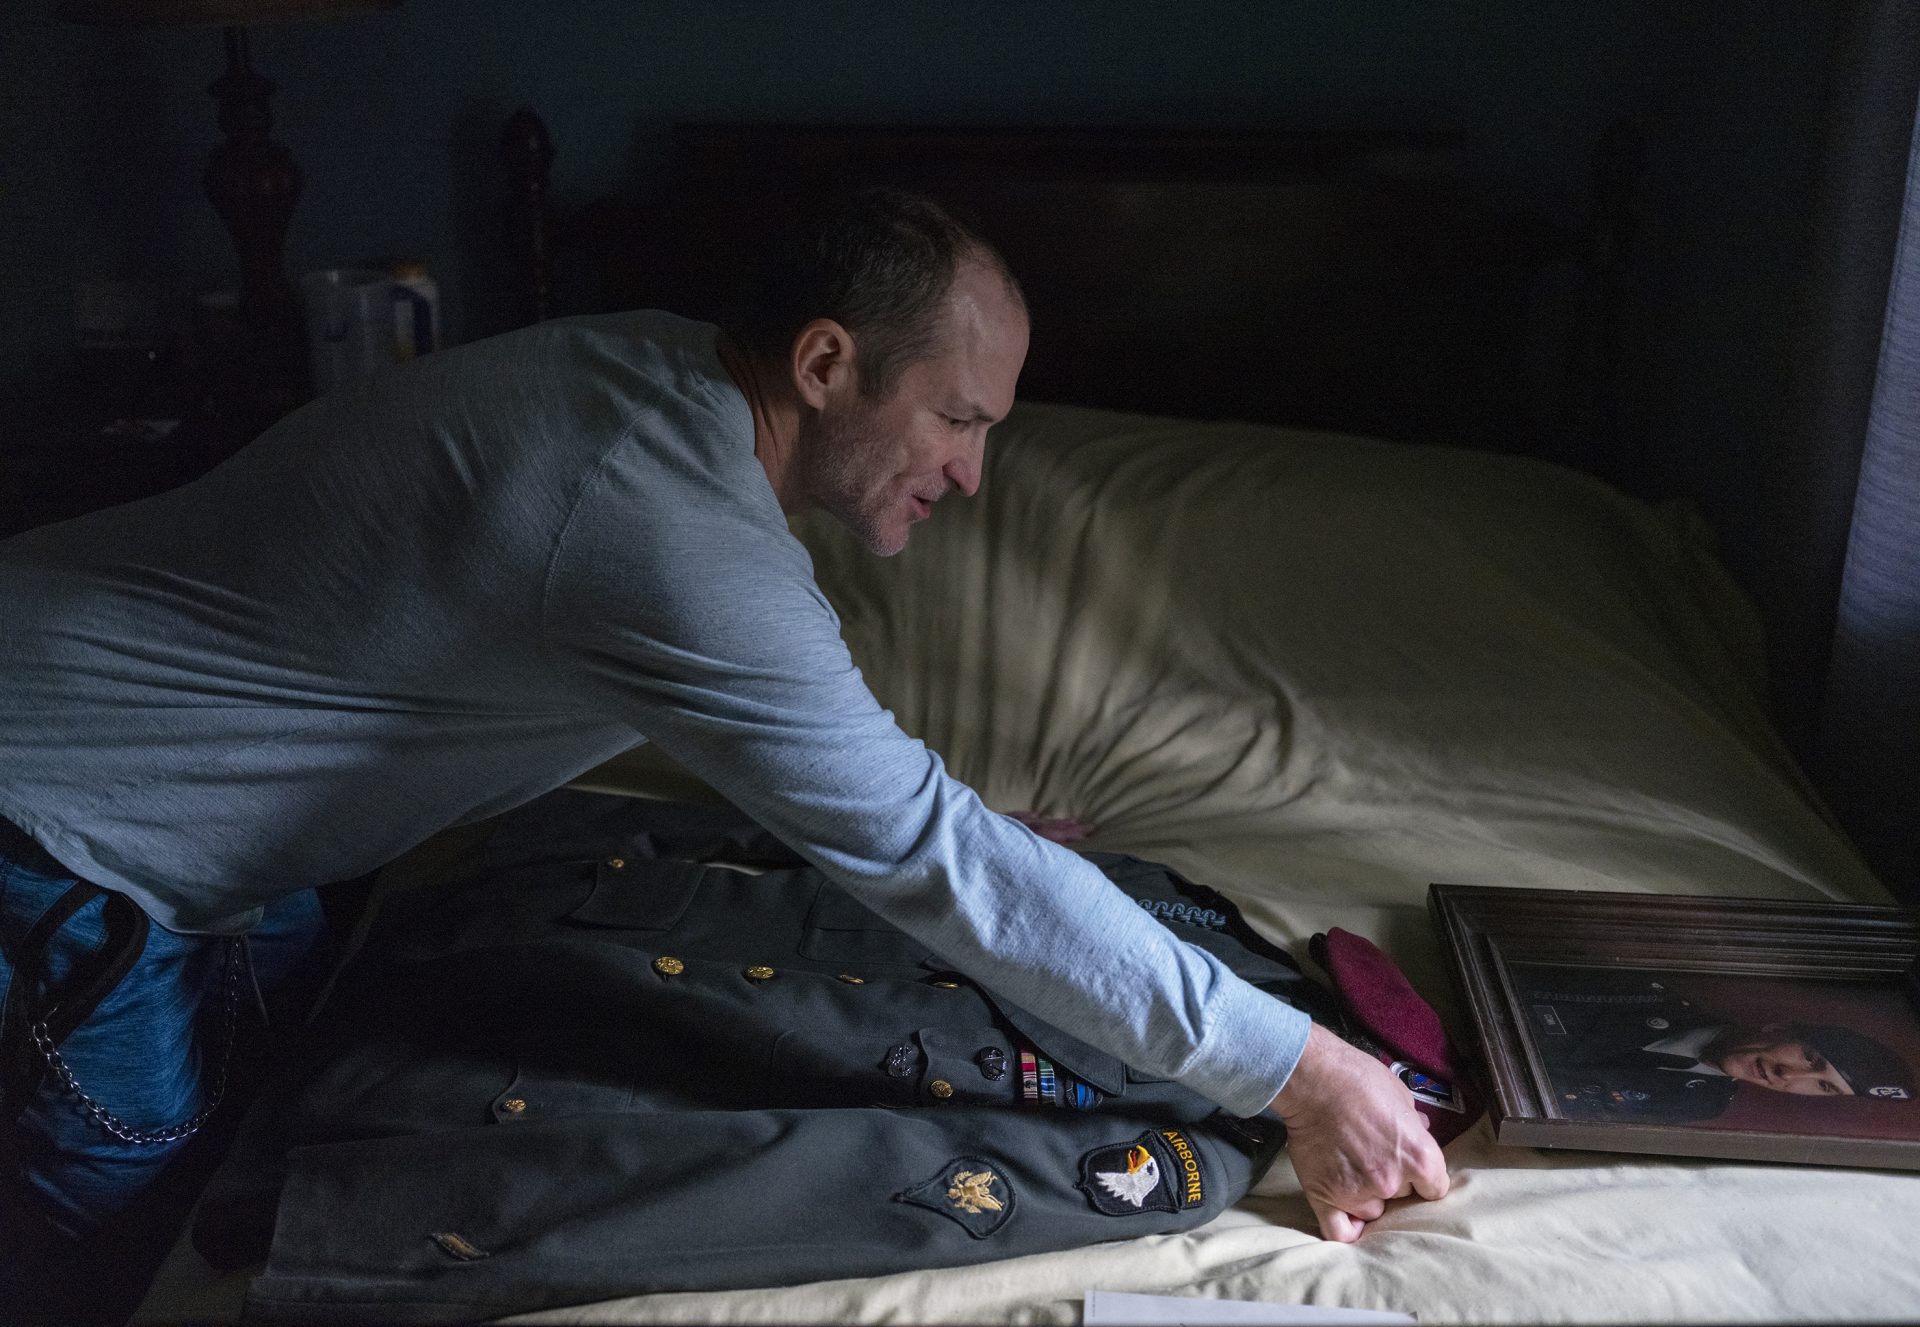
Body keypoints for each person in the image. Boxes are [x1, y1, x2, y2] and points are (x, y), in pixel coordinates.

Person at [0, 189, 1445, 1289]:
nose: (974, 473)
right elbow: (927, 850)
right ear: (825, 361)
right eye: (955, 416)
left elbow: (833, 757)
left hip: (175, 812)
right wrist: (1306, 1069)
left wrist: (963, 823)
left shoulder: (649, 388)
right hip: (60, 825)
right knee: (108, 1271)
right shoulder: (661, 523)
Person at [1520, 968, 1916, 1122]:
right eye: (1810, 1056)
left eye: (1822, 1084)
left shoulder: (1700, 1103)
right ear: (1777, 1027)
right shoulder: (1646, 994)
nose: (1789, 1075)